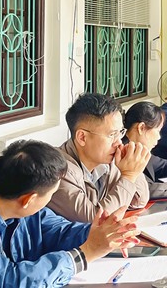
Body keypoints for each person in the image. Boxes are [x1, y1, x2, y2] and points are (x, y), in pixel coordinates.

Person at [0, 140, 140, 287]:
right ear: (28, 200)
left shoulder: (11, 196)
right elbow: (9, 282)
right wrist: (85, 254)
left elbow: (58, 231)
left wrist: (101, 234)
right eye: (52, 194)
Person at [49, 93, 151, 223]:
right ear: (82, 137)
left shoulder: (108, 160)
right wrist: (129, 176)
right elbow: (95, 221)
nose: (119, 142)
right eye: (112, 134)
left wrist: (133, 167)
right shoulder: (58, 170)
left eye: (120, 132)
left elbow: (138, 201)